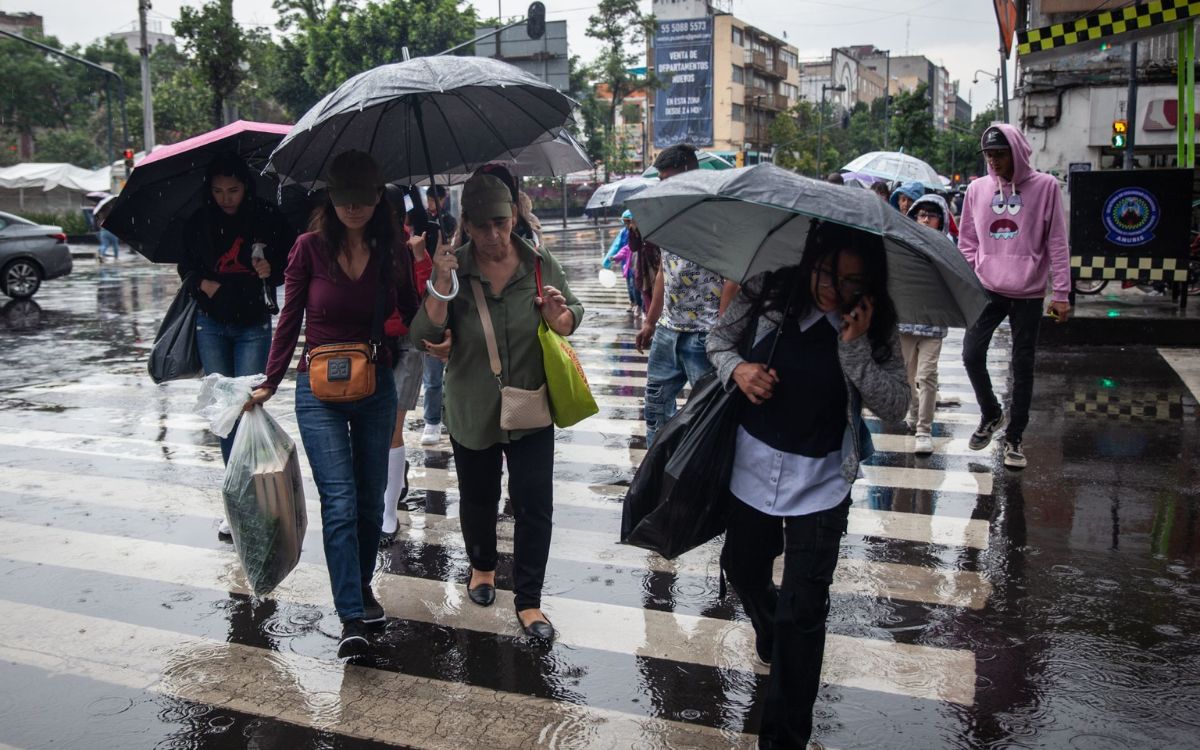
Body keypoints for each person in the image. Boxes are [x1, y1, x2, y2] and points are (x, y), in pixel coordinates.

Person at [708, 220, 909, 750]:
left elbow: (897, 406)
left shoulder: (873, 322)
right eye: (826, 273)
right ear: (810, 258)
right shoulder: (768, 290)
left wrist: (856, 349)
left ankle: (783, 740)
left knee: (805, 615)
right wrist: (739, 371)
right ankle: (767, 625)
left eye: (850, 281)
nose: (832, 289)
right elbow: (718, 340)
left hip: (821, 483)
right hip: (750, 469)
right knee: (742, 568)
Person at [247, 150, 419, 657]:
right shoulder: (307, 249)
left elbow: (415, 315)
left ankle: (361, 587)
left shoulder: (395, 252)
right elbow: (289, 318)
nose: (354, 210)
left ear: (377, 200)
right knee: (340, 503)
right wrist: (270, 382)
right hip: (316, 390)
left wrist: (440, 277)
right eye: (345, 201)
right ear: (331, 201)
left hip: (375, 386)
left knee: (369, 503)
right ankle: (350, 617)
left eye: (363, 200)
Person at [409, 172, 583, 642]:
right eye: (482, 225)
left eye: (501, 223)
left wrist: (557, 315)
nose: (492, 235)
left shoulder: (538, 262)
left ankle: (529, 601)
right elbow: (422, 334)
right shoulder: (455, 268)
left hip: (530, 406)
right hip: (472, 405)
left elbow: (572, 317)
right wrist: (440, 281)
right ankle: (482, 567)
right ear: (465, 221)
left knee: (535, 507)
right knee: (479, 499)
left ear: (514, 217)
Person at [177, 152, 295, 539]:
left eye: (234, 190)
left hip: (253, 324)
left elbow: (287, 261)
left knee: (246, 407)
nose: (227, 197)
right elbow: (185, 265)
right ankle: (236, 500)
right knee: (224, 413)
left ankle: (254, 493)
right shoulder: (199, 221)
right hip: (210, 324)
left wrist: (269, 270)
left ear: (246, 187)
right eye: (219, 191)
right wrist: (202, 283)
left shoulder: (266, 216)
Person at [959, 124, 1070, 469]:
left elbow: (1057, 243)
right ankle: (992, 413)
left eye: (1000, 153)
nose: (992, 160)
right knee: (971, 353)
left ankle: (1015, 438)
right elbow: (967, 241)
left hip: (1029, 292)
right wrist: (968, 279)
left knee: (1023, 367)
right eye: (989, 154)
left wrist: (1061, 292)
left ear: (1017, 153)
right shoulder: (977, 189)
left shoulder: (1046, 187)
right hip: (987, 288)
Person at [634, 144, 737, 446]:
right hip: (667, 332)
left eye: (671, 180)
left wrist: (721, 327)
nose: (665, 187)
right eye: (662, 181)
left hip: (704, 335)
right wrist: (650, 323)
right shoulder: (669, 219)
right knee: (656, 408)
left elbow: (734, 277)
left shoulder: (718, 218)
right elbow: (664, 274)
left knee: (707, 415)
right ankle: (657, 471)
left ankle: (698, 478)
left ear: (691, 173)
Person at [380, 186, 435, 547]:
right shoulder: (360, 246)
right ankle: (394, 482)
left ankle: (387, 513)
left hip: (407, 343)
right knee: (377, 428)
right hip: (372, 345)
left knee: (393, 425)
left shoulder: (409, 245)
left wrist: (421, 257)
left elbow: (425, 296)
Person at [899, 194, 955, 454]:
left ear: (940, 219)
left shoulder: (947, 246)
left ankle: (924, 429)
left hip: (934, 324)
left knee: (927, 376)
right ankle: (913, 413)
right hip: (906, 322)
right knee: (907, 377)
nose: (925, 219)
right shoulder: (904, 243)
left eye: (931, 215)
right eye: (920, 214)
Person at [420, 185, 458, 446]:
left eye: (437, 197)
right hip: (430, 298)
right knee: (432, 373)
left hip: (454, 298)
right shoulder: (421, 221)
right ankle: (432, 420)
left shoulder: (450, 222)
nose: (432, 201)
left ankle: (455, 417)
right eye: (429, 196)